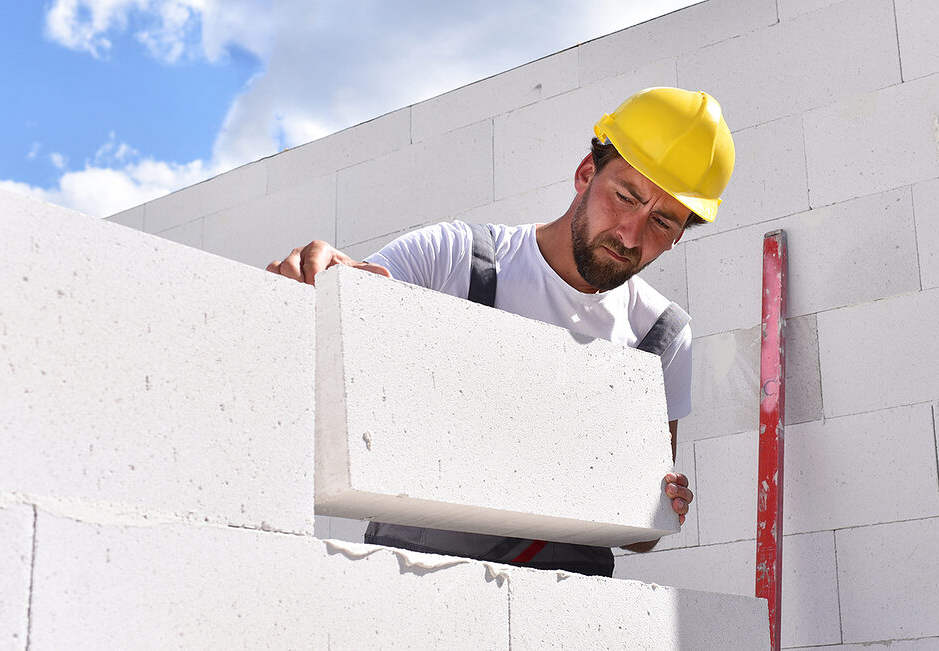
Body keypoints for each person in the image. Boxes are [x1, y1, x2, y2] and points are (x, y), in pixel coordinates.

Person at [267, 87, 734, 576]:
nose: (630, 236)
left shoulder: (659, 335)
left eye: (661, 222)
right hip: (414, 588)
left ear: (679, 235)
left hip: (556, 610)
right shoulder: (451, 259)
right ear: (585, 174)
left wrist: (660, 507)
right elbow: (342, 323)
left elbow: (640, 534)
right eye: (624, 197)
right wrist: (320, 284)